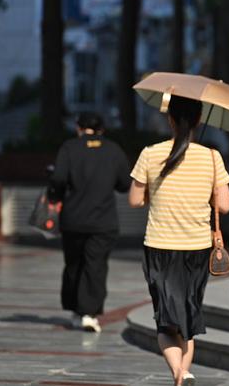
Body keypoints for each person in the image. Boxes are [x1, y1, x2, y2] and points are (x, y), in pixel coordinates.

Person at [129, 95, 229, 386]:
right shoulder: (212, 157)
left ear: (170, 119)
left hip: (159, 247)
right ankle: (182, 374)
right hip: (198, 249)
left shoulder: (150, 153)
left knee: (165, 319)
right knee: (187, 316)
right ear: (199, 120)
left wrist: (154, 192)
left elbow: (135, 200)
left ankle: (179, 374)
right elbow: (224, 205)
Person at [47, 112, 130, 333]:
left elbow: (58, 178)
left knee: (74, 264)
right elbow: (124, 184)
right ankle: (89, 313)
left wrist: (55, 195)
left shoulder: (69, 148)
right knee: (96, 265)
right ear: (102, 129)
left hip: (73, 219)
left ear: (78, 128)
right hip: (103, 220)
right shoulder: (113, 149)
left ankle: (76, 310)